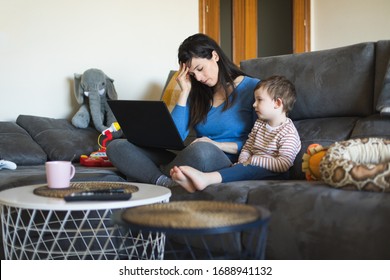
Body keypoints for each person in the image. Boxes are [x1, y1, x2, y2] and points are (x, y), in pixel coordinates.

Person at [106, 33, 260, 187]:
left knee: (202, 150)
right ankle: (165, 182)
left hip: (219, 159)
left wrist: (216, 145)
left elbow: (261, 143)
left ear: (215, 56)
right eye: (193, 74)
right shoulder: (198, 93)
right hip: (188, 157)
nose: (199, 78)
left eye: (200, 69)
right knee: (117, 146)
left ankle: (150, 173)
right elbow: (176, 136)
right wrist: (184, 92)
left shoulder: (254, 88)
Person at [170, 75, 301, 192]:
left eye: (259, 100)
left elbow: (284, 164)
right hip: (249, 165)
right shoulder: (260, 124)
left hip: (275, 173)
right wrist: (243, 160)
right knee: (239, 169)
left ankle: (205, 179)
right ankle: (191, 182)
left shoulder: (288, 132)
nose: (254, 104)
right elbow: (248, 146)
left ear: (277, 103)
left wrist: (254, 161)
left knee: (246, 169)